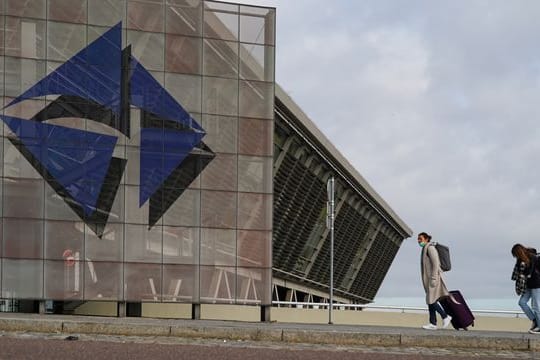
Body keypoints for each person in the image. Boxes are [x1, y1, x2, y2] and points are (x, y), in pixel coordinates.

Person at [418, 232, 452, 330]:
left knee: (431, 300)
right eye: (418, 239)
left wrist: (433, 278)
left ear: (426, 239)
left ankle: (445, 316)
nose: (419, 241)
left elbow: (436, 263)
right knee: (431, 300)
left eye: (420, 239)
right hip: (430, 279)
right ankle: (433, 323)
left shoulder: (430, 248)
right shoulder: (425, 249)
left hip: (433, 278)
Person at [511, 244, 540, 333]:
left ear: (519, 252)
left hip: (536, 284)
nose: (516, 257)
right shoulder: (520, 260)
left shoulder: (534, 257)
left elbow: (533, 271)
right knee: (522, 302)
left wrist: (528, 274)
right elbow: (519, 273)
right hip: (527, 285)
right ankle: (535, 320)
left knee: (536, 306)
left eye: (515, 254)